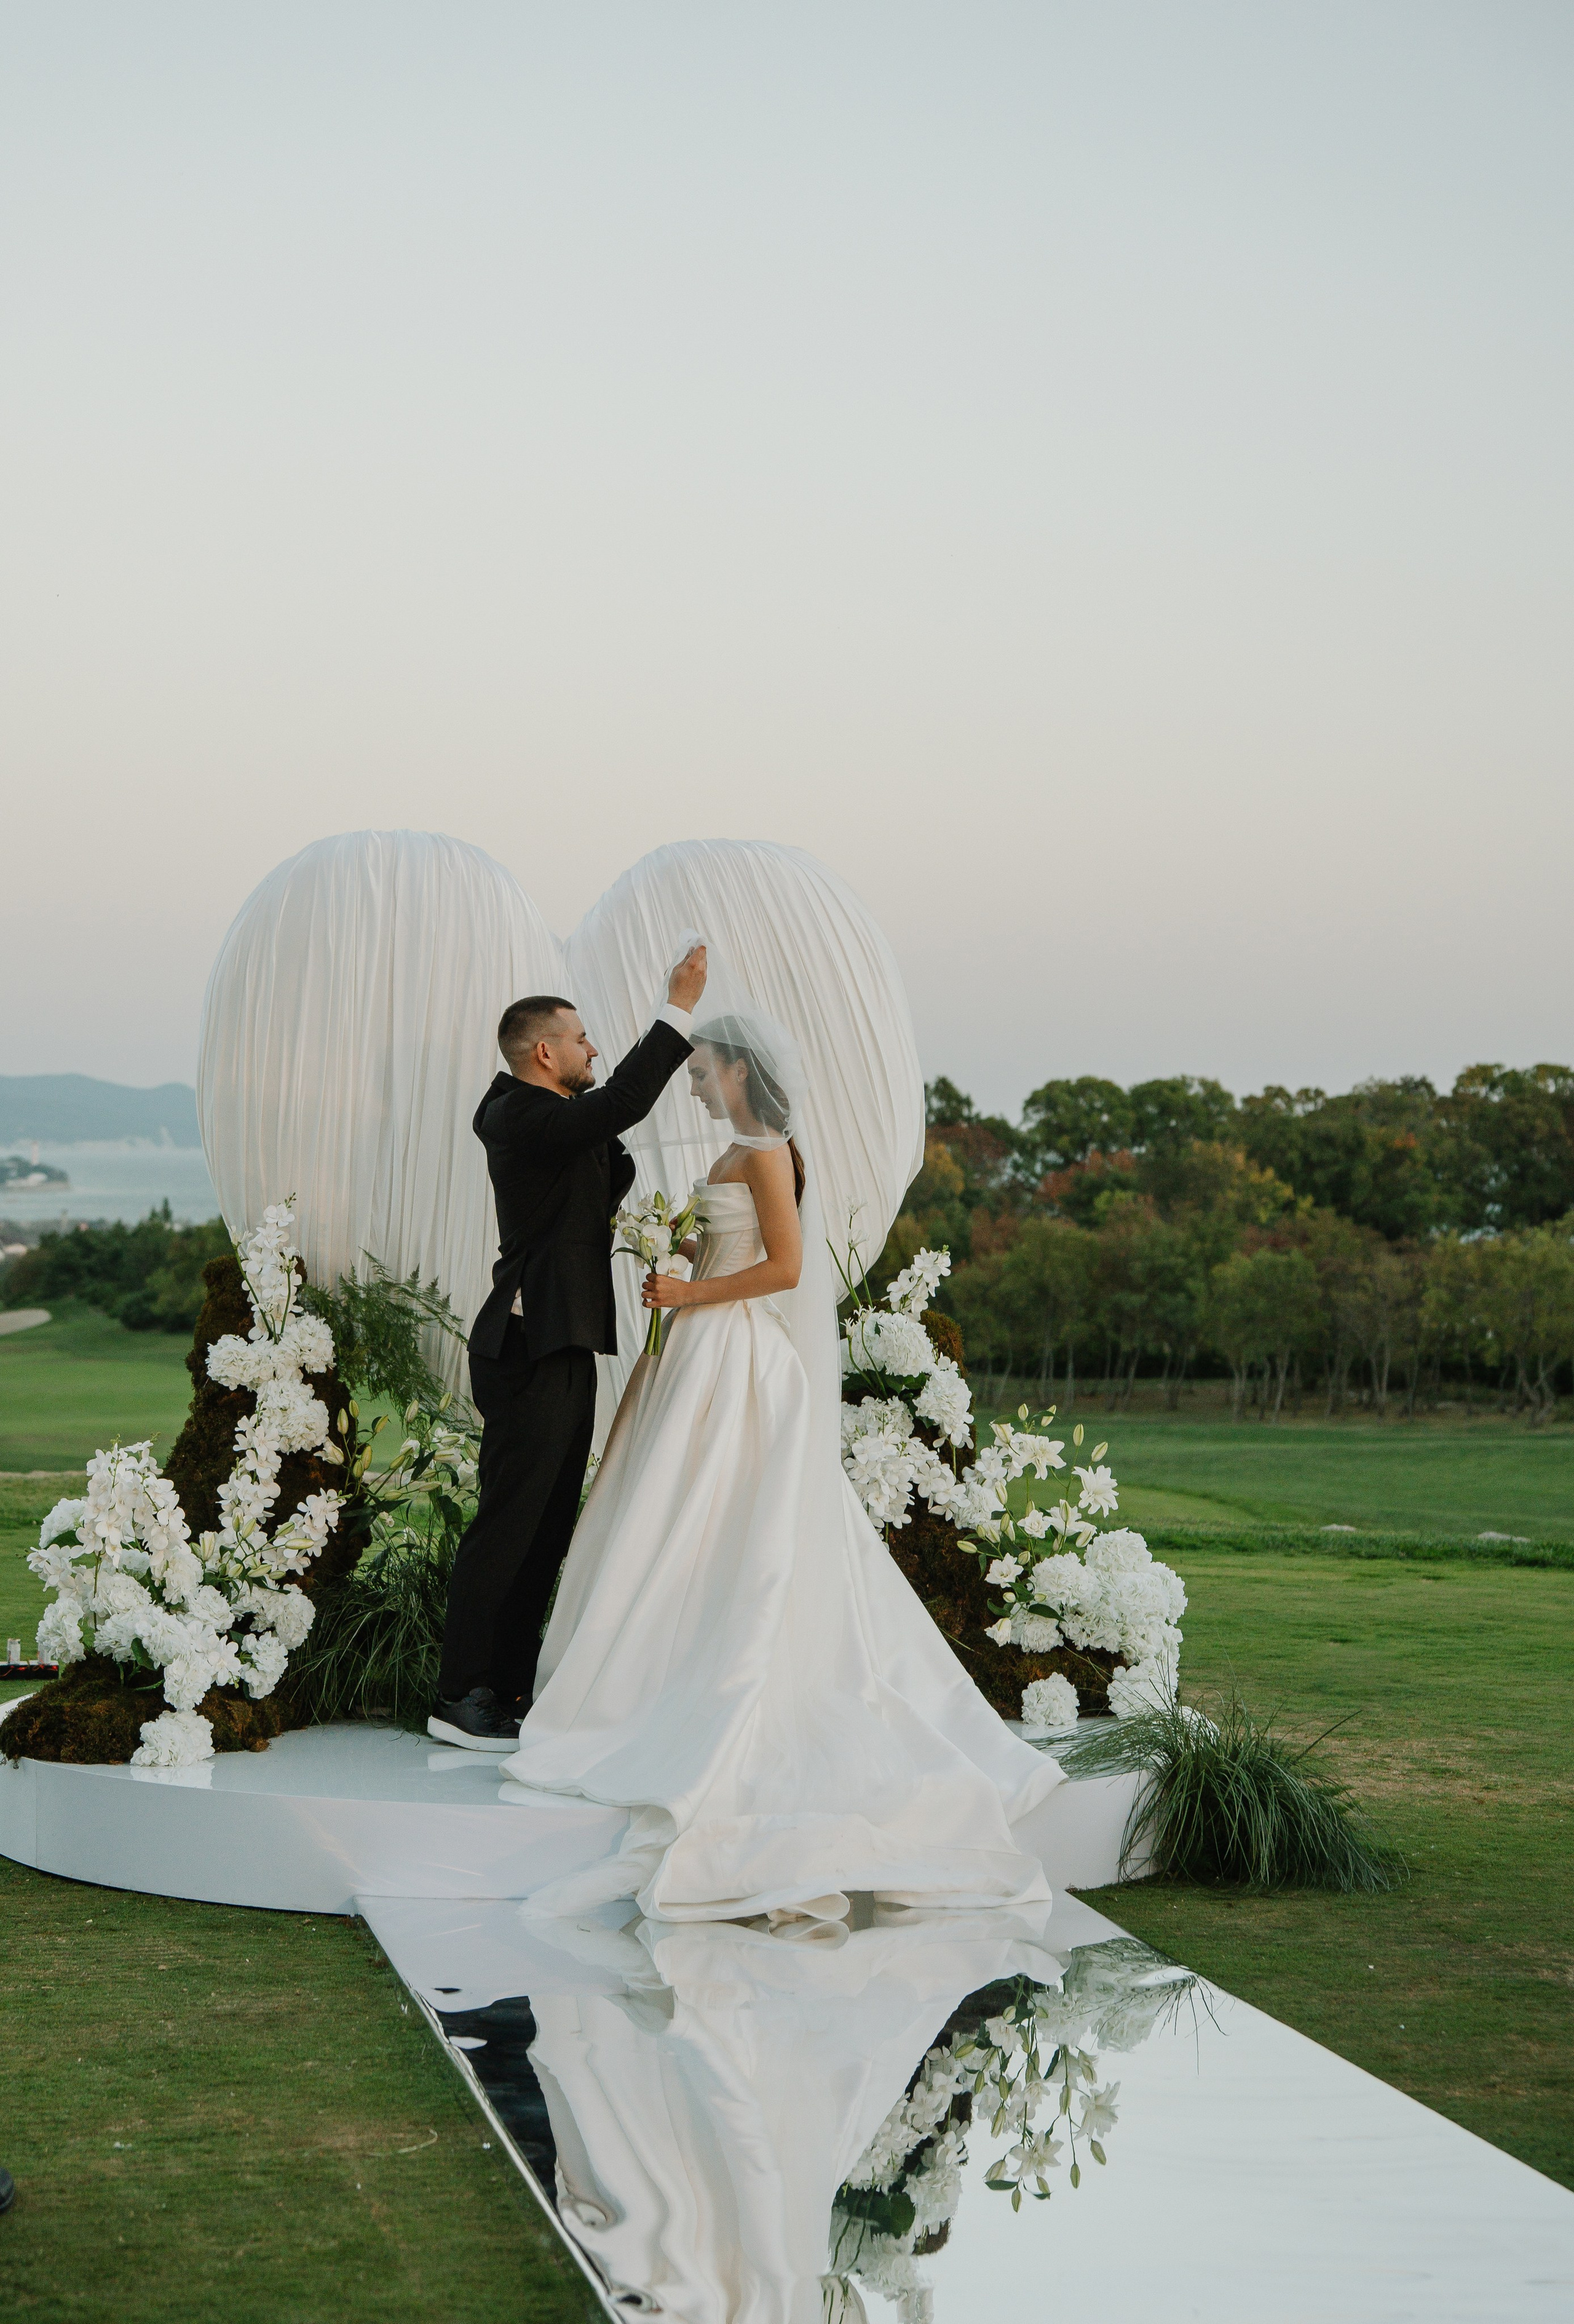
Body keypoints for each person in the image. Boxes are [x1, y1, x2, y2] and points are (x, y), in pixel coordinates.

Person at [498, 993, 1064, 1920]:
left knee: (725, 1512)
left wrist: (689, 1290)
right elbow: (731, 1244)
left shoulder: (767, 1152)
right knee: (677, 1513)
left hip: (737, 1352)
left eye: (702, 1071)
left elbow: (788, 1268)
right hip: (696, 1347)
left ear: (739, 1071)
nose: (695, 1085)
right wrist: (673, 1251)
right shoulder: (736, 1151)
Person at [428, 943, 707, 1750]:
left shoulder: (554, 1125)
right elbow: (620, 1104)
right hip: (526, 1344)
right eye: (582, 1040)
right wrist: (677, 1007)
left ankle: (508, 1688)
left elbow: (604, 1139)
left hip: (565, 1338)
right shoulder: (517, 1115)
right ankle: (459, 1694)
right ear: (544, 1053)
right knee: (510, 1522)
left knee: (549, 1526)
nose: (594, 1050)